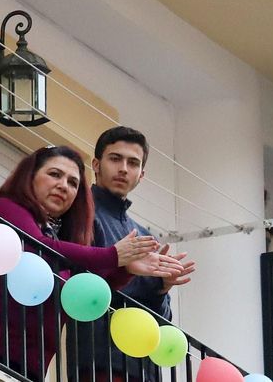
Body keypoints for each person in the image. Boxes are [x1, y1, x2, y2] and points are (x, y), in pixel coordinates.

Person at [0, 145, 185, 382]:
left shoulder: (57, 241)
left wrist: (125, 270)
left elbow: (83, 292)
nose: (63, 186)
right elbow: (38, 248)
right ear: (30, 177)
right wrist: (113, 255)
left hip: (24, 367)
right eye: (54, 174)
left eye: (73, 183)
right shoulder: (5, 208)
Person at [67, 128, 197, 382]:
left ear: (141, 175)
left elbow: (161, 321)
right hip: (98, 360)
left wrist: (161, 288)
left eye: (133, 163)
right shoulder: (79, 212)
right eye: (115, 159)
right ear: (96, 164)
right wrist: (124, 268)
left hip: (144, 367)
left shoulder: (145, 236)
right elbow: (80, 282)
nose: (124, 168)